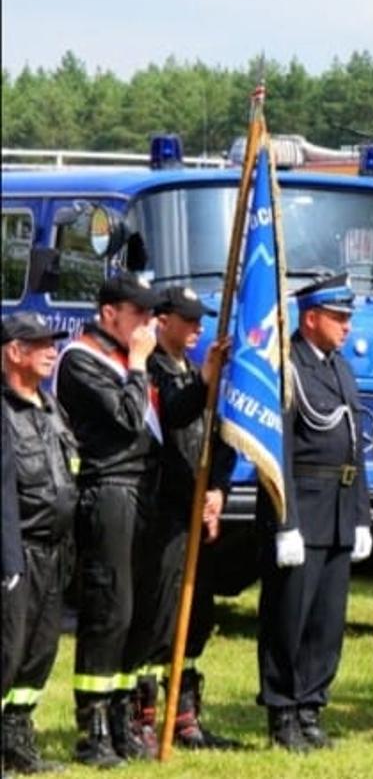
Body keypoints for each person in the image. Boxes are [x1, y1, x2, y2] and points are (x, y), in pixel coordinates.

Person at [54, 275, 165, 763]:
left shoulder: (125, 360)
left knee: (137, 611)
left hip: (143, 491)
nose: (148, 324)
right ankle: (92, 725)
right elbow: (125, 418)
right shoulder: (81, 359)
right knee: (109, 610)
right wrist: (140, 364)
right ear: (108, 314)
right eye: (138, 314)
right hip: (108, 490)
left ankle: (121, 713)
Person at [263, 274, 373, 751]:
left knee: (327, 620)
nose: (348, 326)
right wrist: (284, 521)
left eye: (348, 318)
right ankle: (282, 710)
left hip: (337, 511)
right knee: (289, 616)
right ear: (311, 318)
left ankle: (311, 705)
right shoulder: (285, 367)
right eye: (339, 317)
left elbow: (353, 446)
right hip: (302, 510)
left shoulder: (339, 368)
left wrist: (363, 516)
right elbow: (279, 451)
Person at [131, 287, 238, 750]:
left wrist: (218, 488)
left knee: (196, 616)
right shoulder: (150, 370)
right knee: (160, 614)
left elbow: (221, 440)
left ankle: (185, 715)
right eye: (189, 320)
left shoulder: (194, 372)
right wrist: (204, 381)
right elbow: (173, 415)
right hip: (164, 511)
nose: (197, 329)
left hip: (198, 510)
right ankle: (144, 718)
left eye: (201, 321)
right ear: (163, 319)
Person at [1, 314, 79, 773]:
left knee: (39, 651)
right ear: (14, 351)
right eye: (41, 343)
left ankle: (16, 736)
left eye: (53, 342)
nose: (52, 351)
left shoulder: (50, 406)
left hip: (56, 550)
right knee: (7, 648)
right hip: (17, 550)